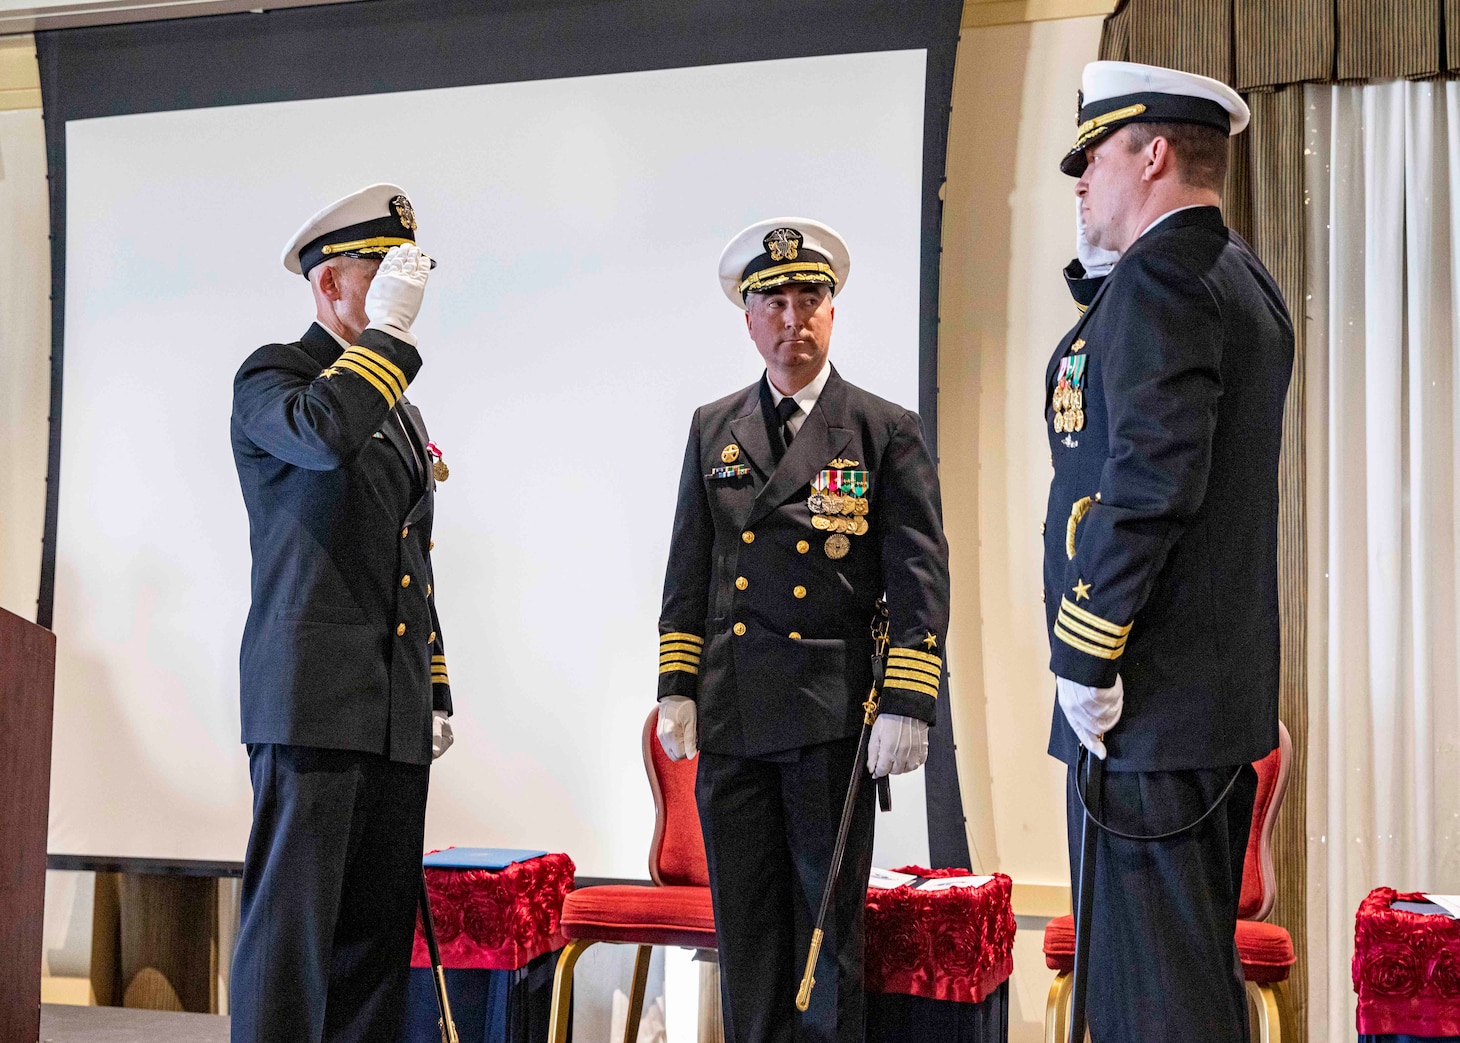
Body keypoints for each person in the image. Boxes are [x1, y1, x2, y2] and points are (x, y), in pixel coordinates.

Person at [1043, 62, 1294, 1041]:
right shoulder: (1235, 270)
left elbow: (1149, 482)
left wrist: (1086, 651)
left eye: (1092, 157)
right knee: (1173, 987)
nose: (1078, 182)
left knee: (1150, 1003)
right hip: (1197, 704)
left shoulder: (1163, 276)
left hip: (1143, 700)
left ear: (1150, 154)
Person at [655, 218, 950, 1042]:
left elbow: (919, 575)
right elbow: (689, 570)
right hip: (734, 714)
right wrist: (676, 687)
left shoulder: (882, 429)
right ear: (748, 317)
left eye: (809, 298)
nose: (793, 317)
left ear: (832, 309)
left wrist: (909, 700)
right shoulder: (714, 426)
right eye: (774, 301)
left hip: (829, 718)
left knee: (826, 938)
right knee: (748, 934)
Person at [229, 183, 456, 1043]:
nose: (409, 287)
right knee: (291, 945)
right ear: (329, 285)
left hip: (388, 711)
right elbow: (321, 436)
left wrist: (432, 684)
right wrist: (391, 340)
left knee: (371, 951)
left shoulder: (401, 407)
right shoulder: (274, 375)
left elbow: (412, 562)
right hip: (312, 703)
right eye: (385, 269)